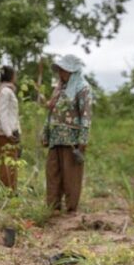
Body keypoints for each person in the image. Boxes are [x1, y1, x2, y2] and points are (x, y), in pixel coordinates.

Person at [43, 54, 93, 213]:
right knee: (52, 173)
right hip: (55, 138)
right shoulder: (58, 89)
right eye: (59, 70)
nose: (60, 74)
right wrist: (46, 134)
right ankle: (53, 208)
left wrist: (82, 141)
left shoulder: (83, 88)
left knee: (71, 176)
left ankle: (71, 209)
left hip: (71, 140)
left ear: (72, 72)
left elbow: (86, 116)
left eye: (63, 70)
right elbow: (51, 113)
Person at [0, 65, 21, 191]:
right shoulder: (5, 91)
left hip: (11, 131)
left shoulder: (7, 90)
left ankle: (11, 189)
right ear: (11, 76)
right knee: (7, 162)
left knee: (12, 161)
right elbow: (2, 113)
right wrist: (8, 133)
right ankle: (6, 190)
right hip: (7, 133)